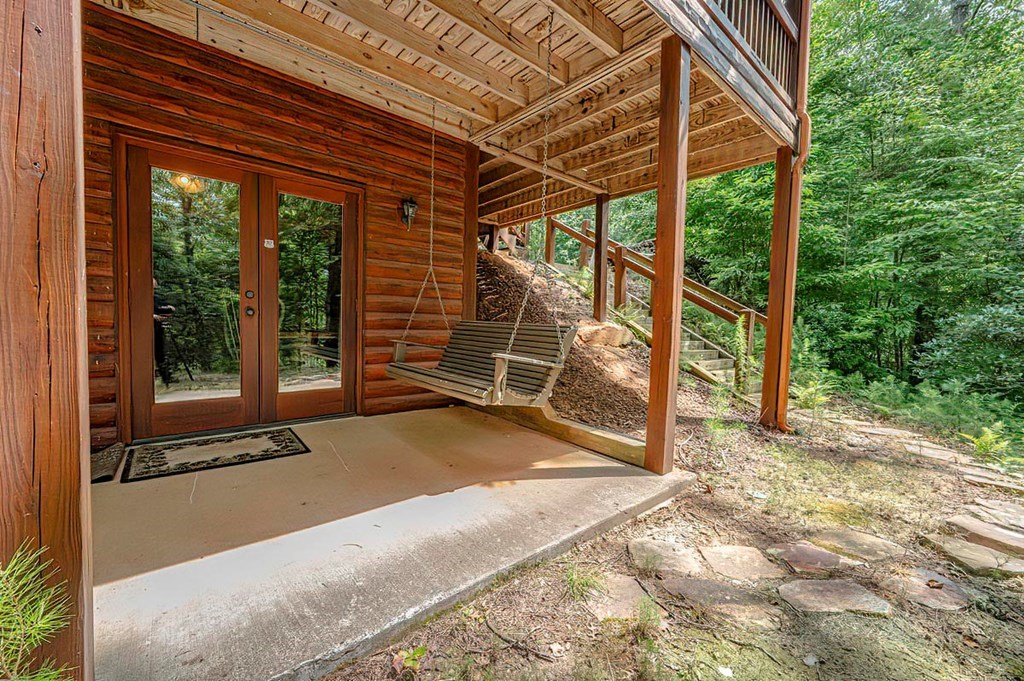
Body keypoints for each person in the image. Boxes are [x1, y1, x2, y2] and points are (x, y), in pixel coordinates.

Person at [153, 278, 177, 386]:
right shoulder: (140, 299)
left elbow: (168, 309)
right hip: (145, 330)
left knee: (160, 352)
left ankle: (166, 377)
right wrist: (152, 316)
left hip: (157, 328)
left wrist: (167, 310)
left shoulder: (156, 299)